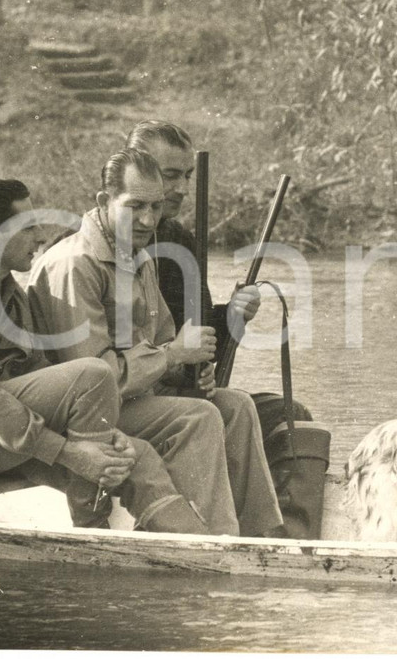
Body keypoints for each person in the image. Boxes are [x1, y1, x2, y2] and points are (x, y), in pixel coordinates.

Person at [0, 177, 208, 534]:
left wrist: (106, 436)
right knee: (93, 375)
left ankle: (204, 552)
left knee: (133, 456)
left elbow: (36, 374)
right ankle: (92, 531)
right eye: (28, 227)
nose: (40, 237)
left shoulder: (6, 290)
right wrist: (69, 453)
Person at [27, 150, 282, 537]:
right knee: (198, 417)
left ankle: (263, 538)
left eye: (156, 206)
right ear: (104, 201)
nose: (149, 220)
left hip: (126, 401)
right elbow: (94, 379)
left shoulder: (138, 257)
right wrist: (174, 355)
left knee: (236, 406)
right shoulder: (75, 264)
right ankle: (214, 540)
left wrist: (187, 370)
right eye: (135, 207)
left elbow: (162, 342)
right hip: (79, 418)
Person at [125, 121, 330, 540]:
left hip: (184, 392)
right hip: (140, 401)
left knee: (292, 418)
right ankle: (204, 528)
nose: (183, 188)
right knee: (212, 415)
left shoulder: (180, 240)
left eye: (188, 176)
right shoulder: (112, 244)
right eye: (171, 175)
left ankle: (282, 537)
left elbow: (198, 334)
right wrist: (176, 364)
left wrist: (232, 316)